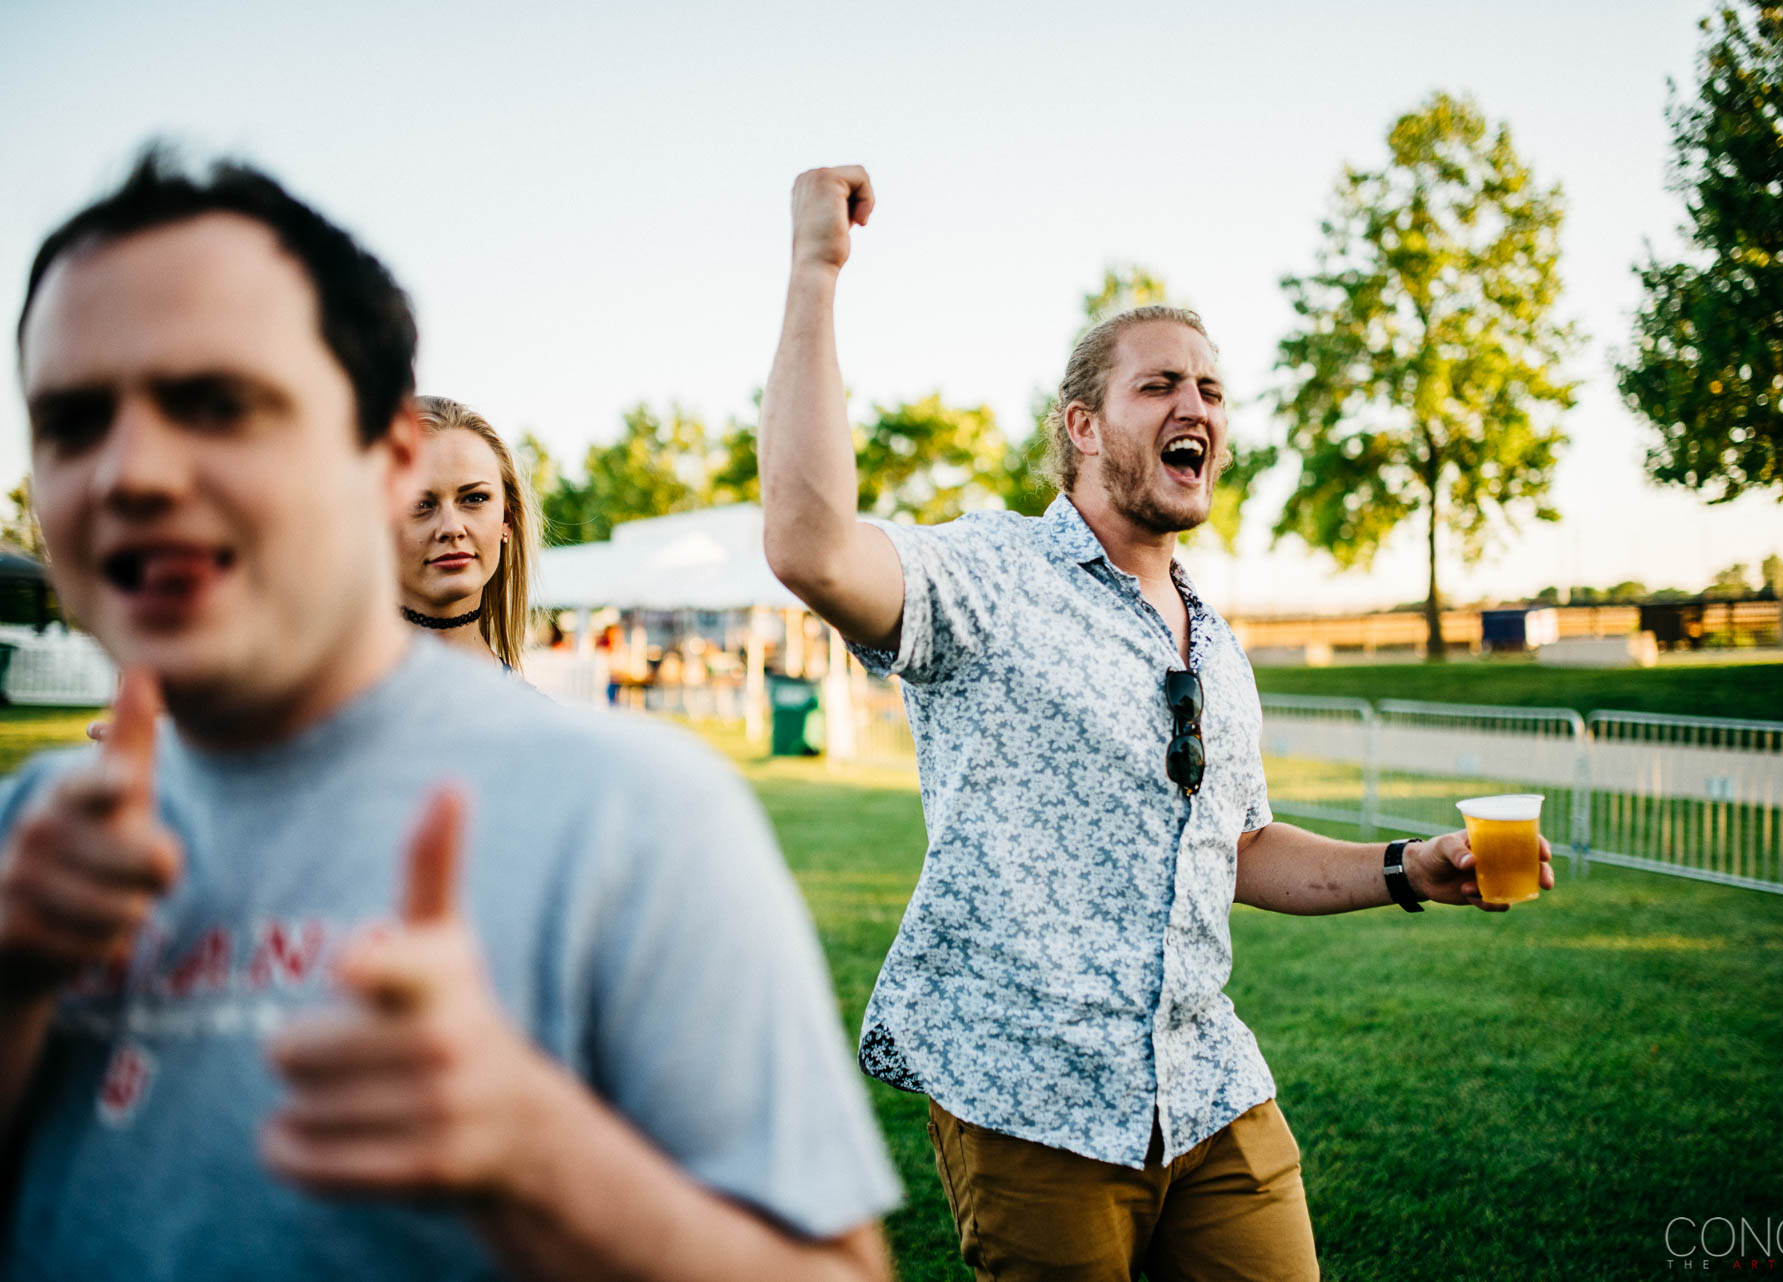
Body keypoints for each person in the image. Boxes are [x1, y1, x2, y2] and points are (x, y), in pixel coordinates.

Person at [1, 150, 899, 1282]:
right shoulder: (35, 833)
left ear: (376, 458)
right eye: (72, 421)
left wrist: (540, 1158)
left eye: (217, 404)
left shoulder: (637, 812)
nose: (131, 472)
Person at [760, 166, 1553, 1282]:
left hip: (1207, 1087)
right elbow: (810, 545)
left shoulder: (1216, 645)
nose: (1199, 408)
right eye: (1161, 385)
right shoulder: (990, 575)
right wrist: (815, 272)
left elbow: (1234, 848)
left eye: (1215, 391)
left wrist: (1410, 868)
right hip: (1028, 1095)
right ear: (1081, 426)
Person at [396, 396, 532, 670]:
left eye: (475, 499)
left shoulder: (536, 712)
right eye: (420, 504)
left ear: (507, 519)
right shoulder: (311, 702)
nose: (451, 528)